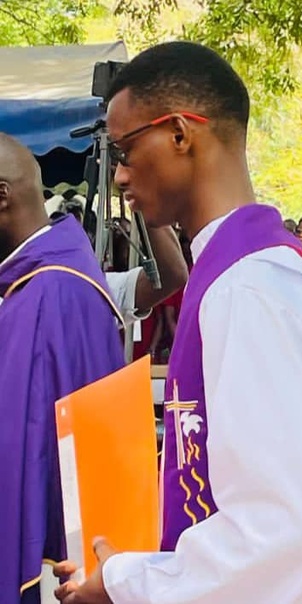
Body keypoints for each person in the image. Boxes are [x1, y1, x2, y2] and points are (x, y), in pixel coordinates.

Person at [53, 41, 302, 603]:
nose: (120, 177)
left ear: (181, 134)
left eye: (125, 151)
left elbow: (279, 530)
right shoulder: (247, 270)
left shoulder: (248, 287)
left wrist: (128, 583)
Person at [0, 133, 125, 604]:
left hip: (50, 559)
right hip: (82, 543)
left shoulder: (44, 295)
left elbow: (18, 445)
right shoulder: (62, 274)